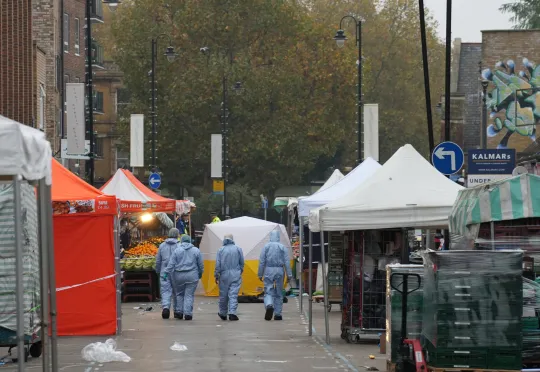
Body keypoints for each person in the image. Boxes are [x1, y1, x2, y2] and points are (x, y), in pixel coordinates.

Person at [162, 235, 204, 320]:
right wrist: (200, 273)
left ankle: (179, 312)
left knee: (179, 294)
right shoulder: (196, 250)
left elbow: (171, 264)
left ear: (181, 241)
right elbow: (200, 265)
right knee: (189, 295)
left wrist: (166, 273)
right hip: (192, 276)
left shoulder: (177, 251)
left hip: (179, 276)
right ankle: (188, 314)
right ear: (190, 241)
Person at [258, 230, 292, 321]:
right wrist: (289, 275)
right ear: (278, 237)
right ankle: (278, 314)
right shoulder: (282, 247)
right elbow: (287, 262)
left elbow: (262, 262)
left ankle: (269, 305)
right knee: (279, 292)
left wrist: (260, 274)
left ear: (270, 237)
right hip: (280, 270)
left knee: (268, 291)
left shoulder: (266, 247)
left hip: (269, 269)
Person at [215, 234, 244, 321]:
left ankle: (223, 313)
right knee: (233, 295)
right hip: (235, 274)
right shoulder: (238, 249)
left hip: (224, 275)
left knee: (223, 295)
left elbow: (218, 265)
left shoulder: (221, 250)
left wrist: (216, 275)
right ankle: (232, 312)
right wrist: (240, 271)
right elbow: (241, 262)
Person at [155, 228, 181, 319]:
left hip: (164, 272)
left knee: (165, 290)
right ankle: (177, 311)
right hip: (176, 272)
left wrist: (158, 270)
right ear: (177, 234)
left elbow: (158, 260)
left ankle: (166, 308)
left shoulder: (162, 246)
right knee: (177, 291)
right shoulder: (179, 245)